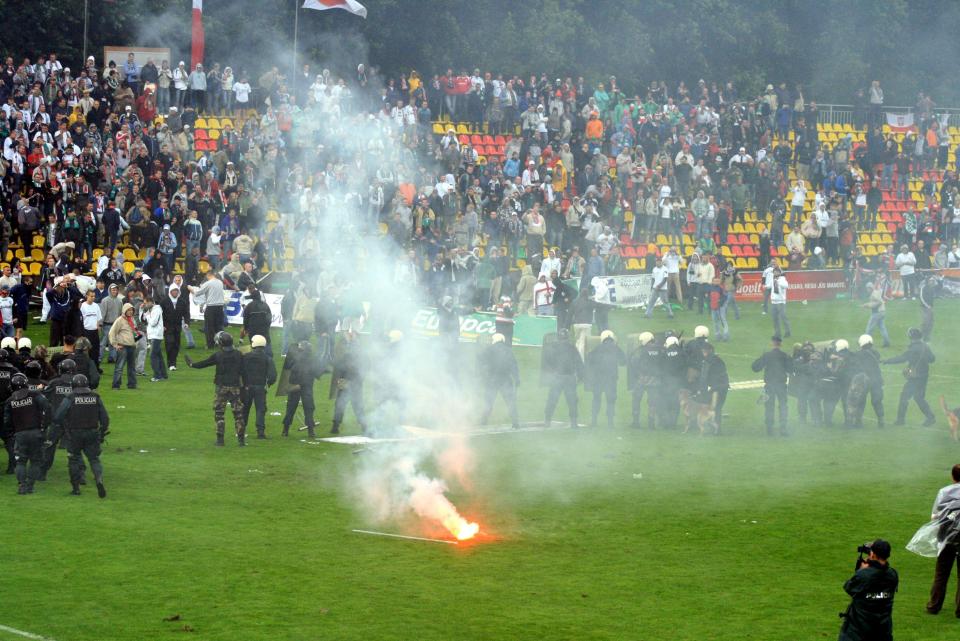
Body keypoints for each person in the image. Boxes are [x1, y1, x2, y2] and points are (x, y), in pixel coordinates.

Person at [48, 374, 110, 498]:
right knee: (94, 459)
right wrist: (101, 432)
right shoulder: (96, 397)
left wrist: (64, 426)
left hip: (74, 434)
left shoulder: (70, 397)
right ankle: (99, 480)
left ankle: (76, 489)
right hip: (92, 432)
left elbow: (58, 416)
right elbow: (105, 418)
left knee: (74, 459)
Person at [185, 331, 246, 446]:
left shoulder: (218, 355)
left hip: (221, 387)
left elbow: (204, 363)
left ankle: (220, 440)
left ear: (221, 343)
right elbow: (244, 371)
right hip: (235, 387)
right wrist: (246, 385)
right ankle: (241, 440)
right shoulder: (239, 354)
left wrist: (192, 365)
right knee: (238, 414)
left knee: (219, 413)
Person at [838, 539, 897, 641]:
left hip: (859, 631)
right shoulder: (893, 574)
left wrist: (862, 570)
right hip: (883, 629)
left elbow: (849, 587)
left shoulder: (864, 575)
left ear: (873, 554)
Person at [3, 373, 51, 494]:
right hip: (36, 433)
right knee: (35, 461)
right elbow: (48, 408)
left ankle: (22, 485)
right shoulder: (35, 395)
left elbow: (7, 421)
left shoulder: (9, 401)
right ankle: (30, 485)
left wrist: (12, 433)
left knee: (21, 461)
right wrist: (44, 427)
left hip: (20, 435)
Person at [925, 464, 960, 617]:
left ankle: (934, 606)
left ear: (953, 477)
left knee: (941, 574)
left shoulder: (945, 492)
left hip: (946, 537)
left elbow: (935, 516)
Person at [884, 327, 936, 426]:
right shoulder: (925, 346)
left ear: (911, 337)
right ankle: (930, 417)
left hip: (915, 378)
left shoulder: (913, 348)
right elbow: (932, 359)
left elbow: (902, 358)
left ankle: (900, 420)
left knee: (904, 397)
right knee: (919, 398)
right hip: (924, 376)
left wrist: (887, 361)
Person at [280, 340, 327, 438]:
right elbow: (317, 373)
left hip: (295, 386)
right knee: (309, 408)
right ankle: (311, 431)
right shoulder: (313, 359)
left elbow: (291, 371)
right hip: (307, 387)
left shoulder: (295, 358)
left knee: (291, 408)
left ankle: (285, 430)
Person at [541, 328, 583, 428]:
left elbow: (546, 362)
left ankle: (547, 421)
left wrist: (551, 373)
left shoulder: (552, 347)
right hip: (569, 378)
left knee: (552, 399)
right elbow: (579, 363)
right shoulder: (572, 348)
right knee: (572, 401)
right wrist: (581, 376)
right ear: (567, 337)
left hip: (557, 378)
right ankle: (574, 422)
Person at [752, 335, 793, 436]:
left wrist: (761, 357)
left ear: (772, 343)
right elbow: (791, 370)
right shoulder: (784, 355)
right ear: (781, 344)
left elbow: (755, 368)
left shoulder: (767, 355)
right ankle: (783, 428)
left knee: (769, 407)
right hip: (781, 385)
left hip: (769, 385)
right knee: (783, 406)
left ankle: (769, 428)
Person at [585, 330, 625, 429]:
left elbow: (589, 360)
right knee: (610, 400)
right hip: (611, 379)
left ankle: (594, 421)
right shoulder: (616, 348)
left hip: (598, 379)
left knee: (596, 399)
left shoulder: (597, 348)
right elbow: (623, 362)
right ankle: (610, 423)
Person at [479, 333, 520, 429]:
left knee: (488, 401)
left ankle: (483, 421)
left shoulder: (489, 349)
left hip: (492, 380)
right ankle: (515, 422)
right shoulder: (508, 350)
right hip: (506, 379)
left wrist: (483, 377)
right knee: (510, 402)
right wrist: (517, 378)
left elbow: (482, 363)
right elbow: (513, 365)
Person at [330, 332, 368, 434]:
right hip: (353, 383)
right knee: (356, 406)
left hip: (349, 383)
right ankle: (364, 427)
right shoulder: (360, 355)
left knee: (341, 405)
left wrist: (340, 378)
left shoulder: (347, 355)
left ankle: (335, 426)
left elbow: (337, 365)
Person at [242, 335, 278, 439]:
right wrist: (268, 384)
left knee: (245, 409)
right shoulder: (268, 358)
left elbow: (240, 371)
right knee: (260, 409)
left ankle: (241, 430)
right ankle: (260, 432)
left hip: (247, 386)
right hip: (260, 387)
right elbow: (273, 375)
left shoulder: (246, 356)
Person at [848, 335, 885, 429]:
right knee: (877, 401)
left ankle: (858, 421)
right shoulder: (876, 353)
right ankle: (881, 420)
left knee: (860, 400)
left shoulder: (858, 354)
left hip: (864, 380)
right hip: (877, 380)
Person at [627, 332, 661, 430]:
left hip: (641, 379)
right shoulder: (659, 349)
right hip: (655, 380)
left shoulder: (640, 351)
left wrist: (638, 374)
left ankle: (636, 422)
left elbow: (633, 362)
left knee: (636, 400)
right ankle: (651, 423)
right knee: (653, 402)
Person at [188, 271, 226, 349]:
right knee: (219, 326)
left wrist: (190, 288)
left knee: (209, 327)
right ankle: (220, 342)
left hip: (211, 307)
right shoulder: (220, 282)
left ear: (208, 276)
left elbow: (197, 293)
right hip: (220, 307)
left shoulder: (208, 283)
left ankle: (210, 344)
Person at [698, 342, 729, 434]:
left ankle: (715, 429)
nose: (703, 353)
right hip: (724, 387)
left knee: (713, 408)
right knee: (718, 408)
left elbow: (704, 377)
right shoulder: (719, 360)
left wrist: (702, 390)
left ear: (708, 351)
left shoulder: (707, 361)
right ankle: (716, 428)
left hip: (715, 388)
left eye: (704, 351)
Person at [108, 302, 138, 389]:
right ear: (124, 310)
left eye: (132, 310)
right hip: (123, 346)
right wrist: (115, 345)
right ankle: (116, 385)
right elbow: (111, 333)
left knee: (132, 367)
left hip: (132, 347)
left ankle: (132, 385)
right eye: (128, 310)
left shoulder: (132, 320)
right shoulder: (119, 320)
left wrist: (136, 343)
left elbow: (136, 333)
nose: (130, 312)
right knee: (119, 367)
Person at [160, 283, 190, 370]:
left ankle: (173, 363)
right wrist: (162, 325)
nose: (175, 292)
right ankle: (170, 363)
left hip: (177, 327)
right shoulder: (164, 301)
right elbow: (159, 314)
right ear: (170, 291)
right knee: (169, 344)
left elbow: (186, 313)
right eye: (173, 291)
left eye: (176, 291)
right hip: (167, 327)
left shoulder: (182, 301)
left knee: (176, 345)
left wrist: (187, 323)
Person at [140, 296, 167, 382]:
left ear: (151, 302)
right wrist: (141, 310)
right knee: (159, 356)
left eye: (146, 303)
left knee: (152, 356)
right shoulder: (149, 310)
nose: (145, 305)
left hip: (156, 336)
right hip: (152, 336)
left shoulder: (157, 310)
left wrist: (147, 316)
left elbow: (153, 323)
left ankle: (157, 376)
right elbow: (142, 320)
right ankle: (163, 374)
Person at [862, 281, 891, 348]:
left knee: (869, 329)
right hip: (882, 312)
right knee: (882, 328)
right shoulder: (876, 292)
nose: (867, 290)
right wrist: (867, 305)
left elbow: (879, 302)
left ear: (870, 288)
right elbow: (875, 302)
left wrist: (868, 305)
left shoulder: (874, 294)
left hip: (877, 313)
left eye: (867, 288)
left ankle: (865, 343)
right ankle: (887, 343)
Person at [769, 265, 791, 338]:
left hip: (781, 302)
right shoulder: (773, 279)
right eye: (774, 272)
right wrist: (766, 286)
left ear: (779, 272)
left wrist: (778, 282)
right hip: (774, 302)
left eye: (776, 272)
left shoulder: (782, 279)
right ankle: (777, 333)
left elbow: (786, 286)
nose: (775, 273)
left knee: (783, 317)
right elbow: (770, 287)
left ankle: (788, 332)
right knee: (775, 319)